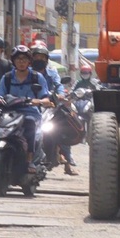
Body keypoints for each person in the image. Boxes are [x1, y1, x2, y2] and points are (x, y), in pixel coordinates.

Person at [0, 45, 52, 174]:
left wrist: (39, 101)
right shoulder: (7, 78)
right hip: (9, 114)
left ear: (29, 61)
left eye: (24, 59)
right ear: (13, 61)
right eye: (18, 59)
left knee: (30, 124)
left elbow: (46, 98)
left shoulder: (37, 77)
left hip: (30, 113)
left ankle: (29, 159)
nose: (21, 62)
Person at [29, 41, 77, 175]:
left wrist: (60, 95)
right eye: (36, 57)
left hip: (50, 106)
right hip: (31, 105)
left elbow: (59, 85)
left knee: (61, 126)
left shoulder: (52, 72)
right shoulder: (26, 73)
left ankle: (67, 161)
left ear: (46, 59)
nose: (39, 60)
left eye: (42, 57)